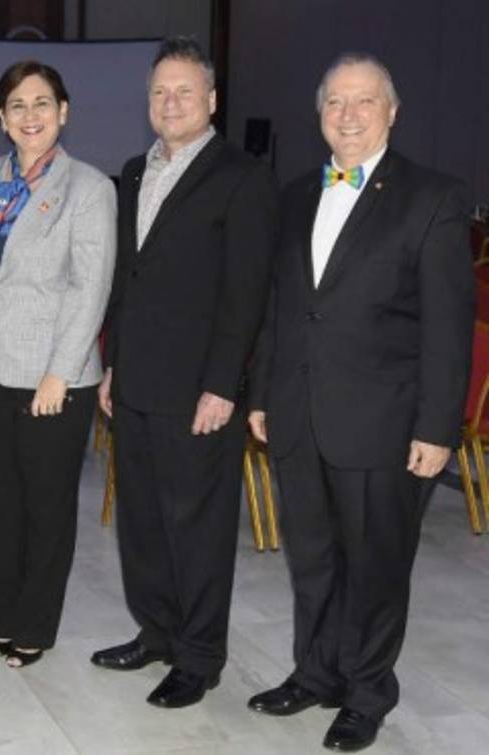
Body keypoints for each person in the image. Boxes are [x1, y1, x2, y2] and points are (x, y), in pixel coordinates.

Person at [246, 54, 472, 752]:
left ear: (392, 112)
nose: (347, 115)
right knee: (312, 557)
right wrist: (261, 394)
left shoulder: (433, 197)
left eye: (363, 101)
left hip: (383, 420)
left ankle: (369, 691)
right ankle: (316, 673)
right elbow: (281, 308)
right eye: (335, 103)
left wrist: (438, 427)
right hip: (298, 411)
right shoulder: (295, 195)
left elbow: (448, 325)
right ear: (319, 116)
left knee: (375, 565)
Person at [92, 36, 277, 708]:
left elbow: (247, 291)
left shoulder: (241, 175)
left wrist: (225, 384)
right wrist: (111, 365)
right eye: (160, 92)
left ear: (212, 100)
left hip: (201, 389)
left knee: (196, 528)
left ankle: (199, 656)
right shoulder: (135, 171)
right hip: (136, 380)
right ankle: (156, 631)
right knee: (142, 521)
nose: (171, 103)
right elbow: (127, 280)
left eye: (185, 91)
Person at [0, 60, 116, 668]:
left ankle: (34, 623)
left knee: (46, 506)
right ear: (1, 118)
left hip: (56, 377)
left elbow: (90, 286)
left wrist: (60, 370)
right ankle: (3, 609)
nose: (31, 115)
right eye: (17, 105)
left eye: (42, 103)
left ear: (64, 112)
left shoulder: (89, 188)